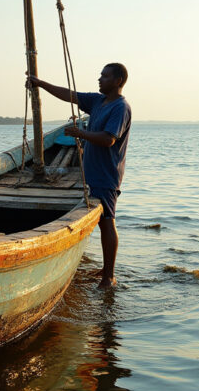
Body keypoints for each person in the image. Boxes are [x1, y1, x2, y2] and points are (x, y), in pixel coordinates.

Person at [26, 63, 131, 289]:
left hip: (106, 174)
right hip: (91, 172)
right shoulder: (98, 101)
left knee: (107, 221)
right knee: (102, 221)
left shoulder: (120, 108)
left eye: (105, 76)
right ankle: (105, 269)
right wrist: (40, 83)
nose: (100, 79)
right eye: (100, 75)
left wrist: (80, 133)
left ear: (118, 81)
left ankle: (109, 276)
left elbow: (109, 139)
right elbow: (70, 95)